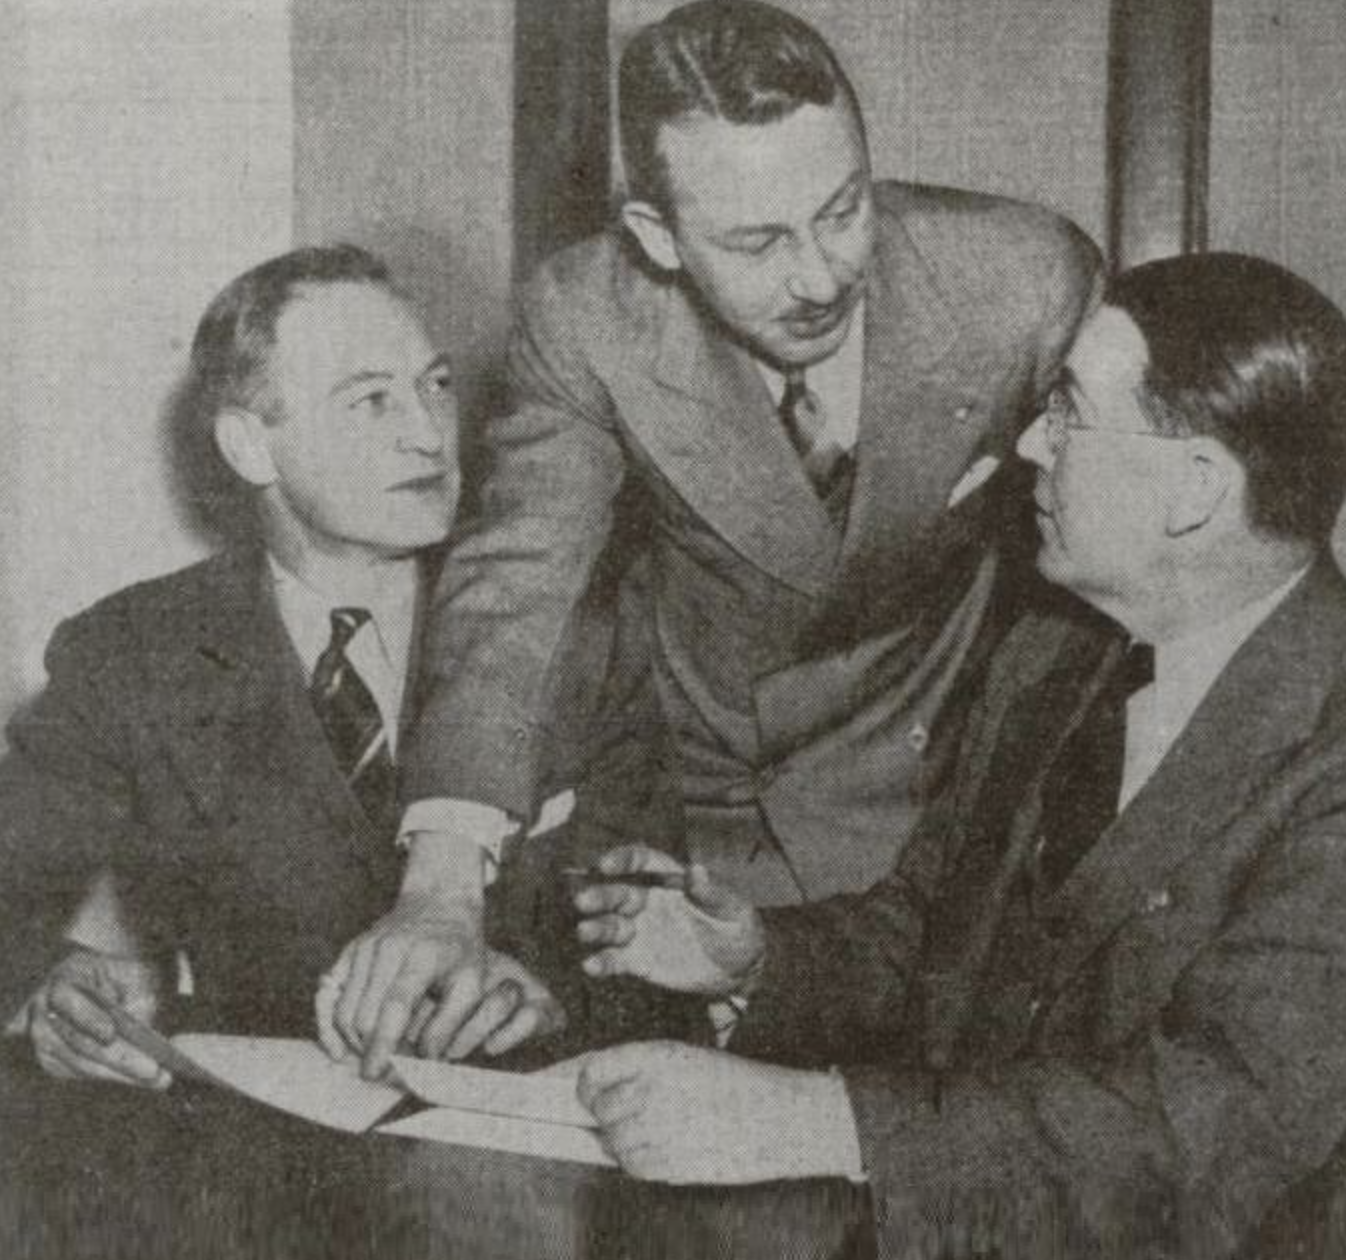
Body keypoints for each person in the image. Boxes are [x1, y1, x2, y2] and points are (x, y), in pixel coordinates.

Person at [329, 0, 1101, 1066]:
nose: (820, 276)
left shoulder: (1021, 281)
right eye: (756, 242)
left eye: (841, 210)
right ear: (658, 237)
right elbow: (515, 587)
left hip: (929, 824)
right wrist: (442, 886)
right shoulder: (586, 316)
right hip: (691, 841)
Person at [573, 253, 1346, 1258]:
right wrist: (758, 958)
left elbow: (1203, 1131)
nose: (1028, 443)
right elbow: (930, 933)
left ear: (1192, 489)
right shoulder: (1053, 655)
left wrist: (818, 1120)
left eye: (1068, 413)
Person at [0, 244, 566, 1090]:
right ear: (250, 446)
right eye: (371, 400)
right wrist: (58, 988)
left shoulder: (575, 630)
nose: (428, 433)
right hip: (259, 1147)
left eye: (436, 385)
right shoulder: (130, 656)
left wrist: (554, 1000)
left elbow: (665, 958)